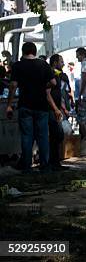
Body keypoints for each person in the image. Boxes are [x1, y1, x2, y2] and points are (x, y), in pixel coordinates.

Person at [5, 42, 57, 173]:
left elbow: (13, 86)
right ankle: (45, 166)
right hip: (41, 106)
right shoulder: (43, 64)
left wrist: (9, 105)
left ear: (23, 52)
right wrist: (42, 87)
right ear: (35, 52)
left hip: (25, 105)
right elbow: (53, 82)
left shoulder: (18, 66)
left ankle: (27, 166)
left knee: (27, 136)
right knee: (43, 137)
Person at [48, 54, 69, 170]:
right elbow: (48, 93)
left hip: (56, 109)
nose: (63, 63)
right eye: (61, 61)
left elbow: (58, 94)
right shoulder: (51, 75)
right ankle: (53, 162)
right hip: (51, 110)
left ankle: (55, 162)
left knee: (58, 135)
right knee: (56, 135)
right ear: (55, 63)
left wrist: (62, 108)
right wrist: (55, 108)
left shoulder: (58, 75)